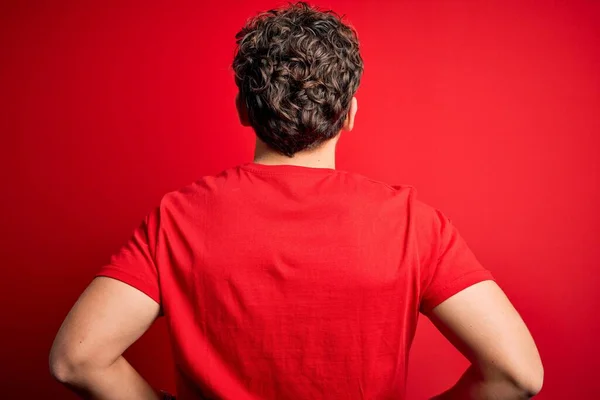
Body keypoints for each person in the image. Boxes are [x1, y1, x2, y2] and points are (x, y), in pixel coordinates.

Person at [49, 2, 543, 399]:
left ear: (244, 109)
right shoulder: (412, 223)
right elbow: (518, 376)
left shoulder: (178, 218)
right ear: (349, 113)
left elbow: (78, 359)